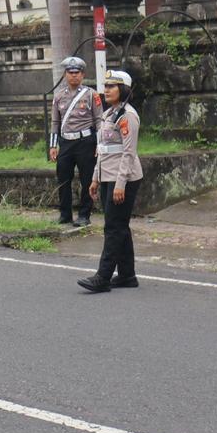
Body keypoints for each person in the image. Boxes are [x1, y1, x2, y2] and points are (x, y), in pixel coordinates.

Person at [79, 70, 143, 293]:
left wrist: (120, 184)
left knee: (113, 227)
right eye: (105, 86)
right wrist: (95, 178)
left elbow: (128, 153)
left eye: (111, 86)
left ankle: (103, 276)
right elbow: (103, 150)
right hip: (106, 175)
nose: (106, 90)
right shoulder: (109, 114)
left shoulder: (128, 116)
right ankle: (127, 275)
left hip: (122, 178)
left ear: (123, 90)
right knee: (119, 226)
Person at [49, 56, 102, 227]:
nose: (74, 76)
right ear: (65, 75)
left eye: (77, 73)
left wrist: (99, 144)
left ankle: (84, 215)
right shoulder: (58, 96)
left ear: (83, 75)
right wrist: (52, 145)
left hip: (86, 142)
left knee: (87, 179)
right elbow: (55, 122)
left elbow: (99, 120)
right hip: (66, 143)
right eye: (70, 73)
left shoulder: (91, 94)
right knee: (63, 179)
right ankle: (65, 214)